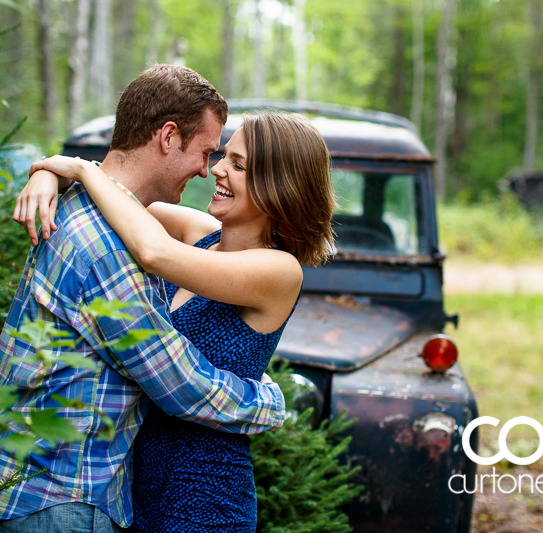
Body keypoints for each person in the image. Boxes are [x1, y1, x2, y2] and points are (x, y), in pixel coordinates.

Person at [0, 65, 287, 533]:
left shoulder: (90, 210)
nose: (208, 169)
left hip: (47, 494)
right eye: (205, 152)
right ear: (167, 136)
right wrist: (268, 404)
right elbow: (178, 382)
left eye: (229, 161)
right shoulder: (108, 249)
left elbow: (127, 204)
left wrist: (58, 169)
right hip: (61, 501)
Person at [22, 111, 336, 532]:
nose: (217, 169)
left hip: (205, 497)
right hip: (133, 487)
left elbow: (153, 252)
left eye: (238, 165)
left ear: (279, 185)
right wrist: (47, 174)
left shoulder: (278, 271)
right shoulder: (200, 232)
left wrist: (78, 167)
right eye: (223, 155)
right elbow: (117, 194)